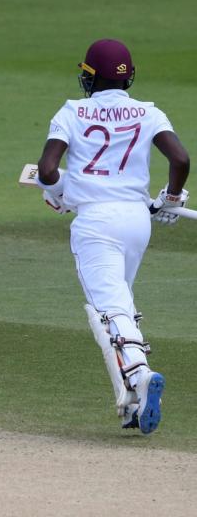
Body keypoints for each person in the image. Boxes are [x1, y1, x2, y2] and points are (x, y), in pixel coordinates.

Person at [35, 38, 189, 434]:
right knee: (116, 306)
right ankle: (132, 402)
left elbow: (48, 169)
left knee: (112, 309)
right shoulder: (149, 113)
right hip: (137, 221)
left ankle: (139, 373)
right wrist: (170, 197)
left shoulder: (73, 111)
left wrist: (59, 196)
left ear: (88, 76)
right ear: (130, 76)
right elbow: (181, 159)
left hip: (96, 224)